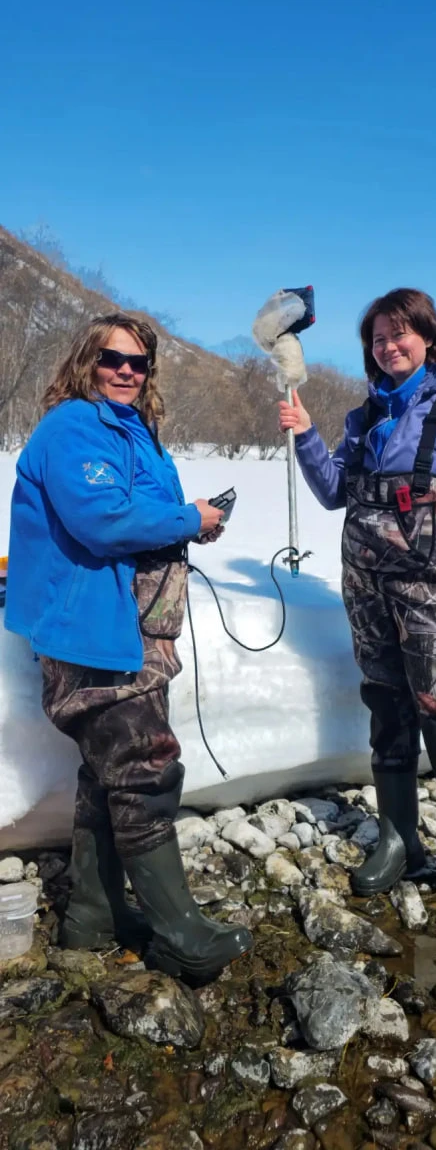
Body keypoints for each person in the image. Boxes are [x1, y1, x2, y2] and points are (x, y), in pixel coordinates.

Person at [5, 314, 253, 982]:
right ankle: (181, 934)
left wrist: (188, 521)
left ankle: (93, 915)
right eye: (112, 359)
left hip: (134, 628)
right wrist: (187, 518)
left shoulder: (132, 429)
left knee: (107, 771)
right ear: (86, 361)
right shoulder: (73, 427)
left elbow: (135, 507)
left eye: (138, 363)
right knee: (145, 767)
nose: (125, 371)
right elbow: (102, 519)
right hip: (92, 630)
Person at [279, 288, 436, 942]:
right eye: (378, 339)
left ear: (427, 336)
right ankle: (399, 839)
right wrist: (305, 435)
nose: (388, 347)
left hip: (435, 595)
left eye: (399, 334)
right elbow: (334, 492)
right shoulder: (366, 416)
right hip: (367, 590)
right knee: (386, 705)